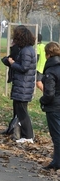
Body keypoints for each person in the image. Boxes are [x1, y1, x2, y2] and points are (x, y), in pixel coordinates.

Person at [7, 25, 36, 143]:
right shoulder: (28, 50)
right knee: (21, 111)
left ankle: (28, 136)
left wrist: (12, 63)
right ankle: (26, 135)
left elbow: (24, 67)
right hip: (23, 85)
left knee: (22, 112)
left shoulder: (26, 51)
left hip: (23, 86)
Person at [40, 42, 60, 171]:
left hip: (54, 107)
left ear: (48, 54)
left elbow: (49, 94)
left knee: (57, 135)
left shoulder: (50, 71)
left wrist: (42, 100)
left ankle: (57, 162)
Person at [1, 41, 21, 136]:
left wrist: (10, 61)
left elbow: (11, 60)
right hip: (17, 80)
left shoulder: (19, 49)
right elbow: (7, 59)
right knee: (16, 106)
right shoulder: (19, 49)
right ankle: (12, 127)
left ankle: (15, 129)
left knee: (19, 108)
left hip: (20, 82)